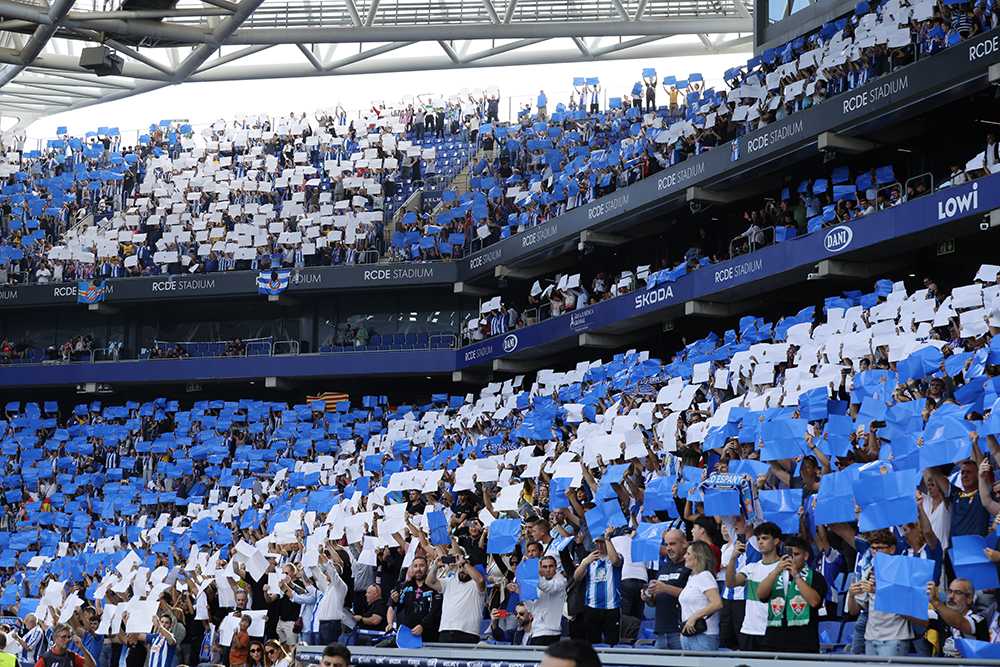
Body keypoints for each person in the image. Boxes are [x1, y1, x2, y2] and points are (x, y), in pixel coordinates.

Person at [755, 535, 828, 653]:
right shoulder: (775, 575)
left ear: (806, 556)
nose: (792, 558)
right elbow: (761, 594)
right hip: (773, 642)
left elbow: (814, 602)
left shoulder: (815, 577)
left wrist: (796, 576)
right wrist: (775, 571)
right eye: (789, 554)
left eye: (796, 554)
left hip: (803, 644)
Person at [725, 521, 782, 651]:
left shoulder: (784, 567)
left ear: (776, 541)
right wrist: (733, 558)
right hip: (749, 629)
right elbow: (730, 583)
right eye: (759, 539)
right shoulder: (751, 567)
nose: (760, 542)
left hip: (773, 630)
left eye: (765, 538)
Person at [572, 527, 623, 645]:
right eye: (597, 542)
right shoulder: (589, 559)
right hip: (592, 607)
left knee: (612, 643)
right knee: (591, 644)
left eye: (602, 542)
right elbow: (576, 577)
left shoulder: (616, 556)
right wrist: (584, 562)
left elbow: (615, 561)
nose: (600, 545)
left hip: (612, 607)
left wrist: (607, 538)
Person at [427, 551, 486, 643]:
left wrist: (464, 563)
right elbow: (429, 582)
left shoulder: (476, 585)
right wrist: (435, 566)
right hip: (446, 631)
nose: (462, 569)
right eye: (460, 567)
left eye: (465, 567)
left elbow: (480, 580)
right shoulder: (449, 581)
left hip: (468, 633)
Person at [645, 528, 689, 650]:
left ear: (684, 543)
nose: (668, 548)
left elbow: (692, 595)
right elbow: (654, 601)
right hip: (660, 631)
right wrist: (648, 596)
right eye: (666, 544)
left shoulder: (690, 566)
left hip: (681, 631)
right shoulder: (663, 567)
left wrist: (665, 588)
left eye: (673, 544)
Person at [677, 541, 723, 651]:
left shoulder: (705, 576)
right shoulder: (692, 578)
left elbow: (717, 603)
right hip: (688, 634)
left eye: (688, 554)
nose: (684, 556)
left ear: (698, 556)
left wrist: (694, 616)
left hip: (704, 635)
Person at [927, 578, 988, 656]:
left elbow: (959, 622)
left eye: (958, 593)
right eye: (950, 591)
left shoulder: (978, 620)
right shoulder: (940, 615)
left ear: (969, 598)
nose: (951, 596)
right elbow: (918, 616)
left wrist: (936, 602)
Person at [529, 555, 567, 646]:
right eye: (545, 567)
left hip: (551, 633)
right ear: (541, 568)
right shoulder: (540, 582)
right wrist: (520, 591)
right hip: (536, 631)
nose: (548, 569)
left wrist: (533, 573)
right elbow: (532, 609)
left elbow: (549, 588)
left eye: (551, 566)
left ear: (556, 567)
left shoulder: (561, 581)